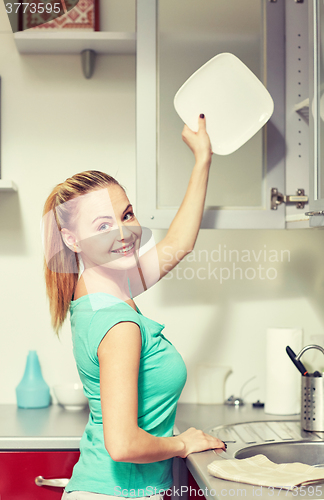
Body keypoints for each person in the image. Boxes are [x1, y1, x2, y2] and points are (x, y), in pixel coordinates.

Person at [42, 114, 226, 500]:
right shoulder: (118, 323)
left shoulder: (100, 288)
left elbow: (179, 243)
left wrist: (202, 159)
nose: (125, 233)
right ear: (71, 240)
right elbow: (123, 445)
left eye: (127, 215)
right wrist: (183, 443)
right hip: (117, 494)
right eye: (104, 225)